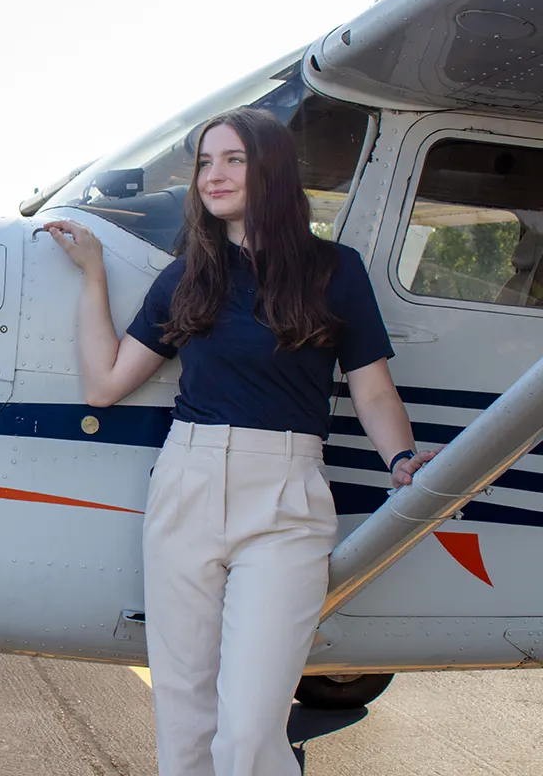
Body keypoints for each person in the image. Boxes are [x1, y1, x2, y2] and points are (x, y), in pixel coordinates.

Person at [45, 106, 439, 776]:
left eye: (233, 159)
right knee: (184, 718)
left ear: (273, 170)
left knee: (250, 728)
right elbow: (105, 385)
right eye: (205, 161)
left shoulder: (334, 271)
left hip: (285, 503)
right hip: (187, 485)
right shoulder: (188, 277)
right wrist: (92, 276)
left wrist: (401, 456)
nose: (213, 175)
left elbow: (371, 389)